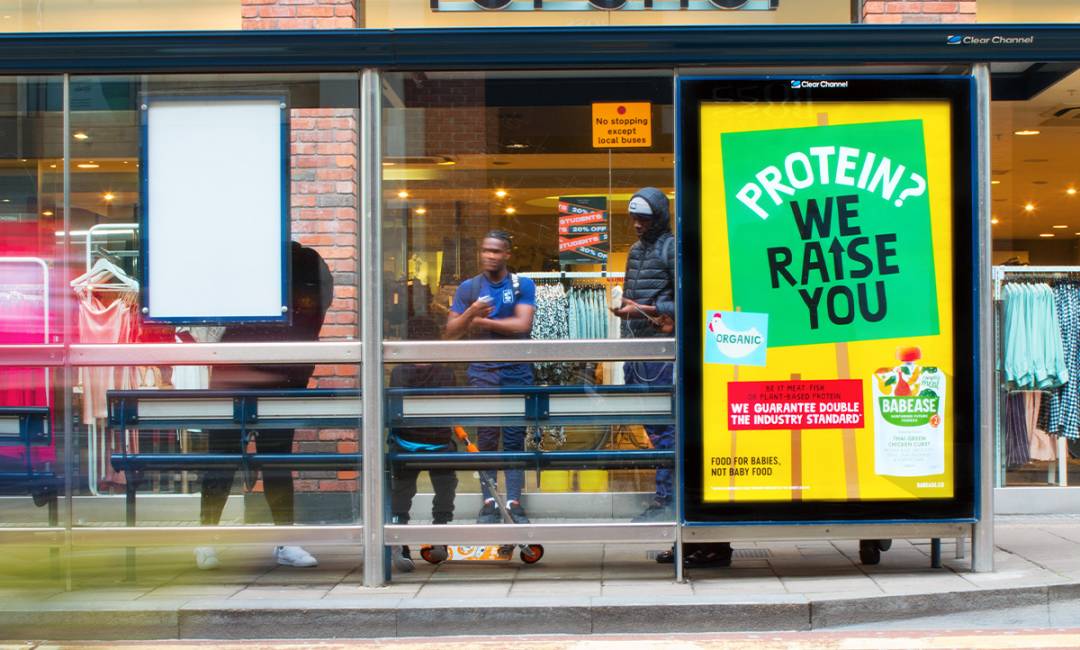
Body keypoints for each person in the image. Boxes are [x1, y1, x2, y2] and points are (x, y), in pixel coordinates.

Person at [194, 241, 334, 570]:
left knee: (268, 461)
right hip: (245, 376)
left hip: (269, 378)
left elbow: (314, 312)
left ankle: (277, 540)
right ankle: (208, 537)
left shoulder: (302, 260)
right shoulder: (257, 260)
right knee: (231, 460)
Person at [611, 187, 731, 568]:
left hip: (664, 356)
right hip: (639, 353)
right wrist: (627, 314)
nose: (637, 224)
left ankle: (679, 520)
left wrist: (647, 309)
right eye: (634, 217)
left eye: (644, 217)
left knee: (670, 436)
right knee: (657, 433)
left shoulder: (670, 248)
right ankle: (684, 530)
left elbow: (689, 296)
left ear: (660, 215)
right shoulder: (635, 251)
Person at [445, 230, 536, 524]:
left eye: (496, 251)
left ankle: (513, 502)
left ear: (507, 254)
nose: (490, 256)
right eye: (486, 250)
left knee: (513, 437)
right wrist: (471, 310)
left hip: (516, 371)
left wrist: (478, 320)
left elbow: (522, 325)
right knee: (485, 437)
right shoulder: (469, 288)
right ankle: (489, 502)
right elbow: (451, 332)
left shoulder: (523, 285)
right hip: (482, 372)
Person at [388, 314, 458, 573]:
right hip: (439, 445)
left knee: (401, 492)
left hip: (405, 445)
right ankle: (440, 531)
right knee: (446, 483)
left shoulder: (399, 371)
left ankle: (400, 539)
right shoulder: (446, 371)